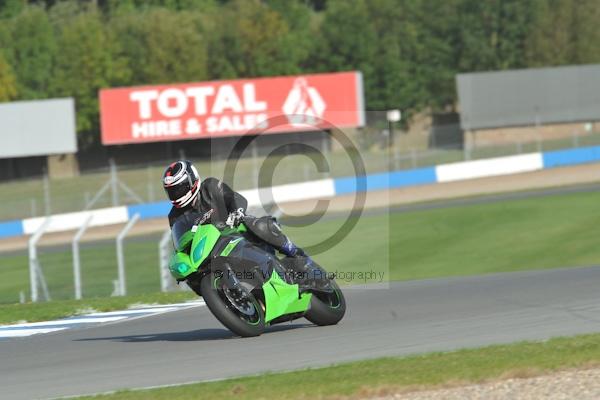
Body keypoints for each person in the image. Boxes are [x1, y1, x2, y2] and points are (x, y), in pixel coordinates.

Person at [162, 160, 309, 260]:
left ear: (192, 181)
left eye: (179, 188)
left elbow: (235, 198)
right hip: (211, 253)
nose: (176, 194)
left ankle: (296, 253)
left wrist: (237, 213)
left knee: (257, 224)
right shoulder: (174, 216)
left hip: (236, 233)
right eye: (172, 191)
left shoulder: (210, 187)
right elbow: (181, 243)